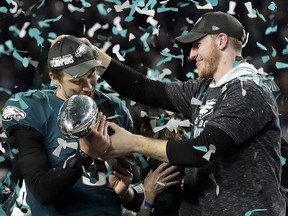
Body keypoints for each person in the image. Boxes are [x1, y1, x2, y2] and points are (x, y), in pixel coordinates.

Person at [54, 11, 286, 215]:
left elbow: (200, 151)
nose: (191, 55)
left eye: (197, 45)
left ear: (221, 41)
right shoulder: (204, 89)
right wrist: (94, 54)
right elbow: (143, 88)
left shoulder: (249, 89)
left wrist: (132, 142)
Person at [1, 35, 144, 215]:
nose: (88, 87)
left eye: (91, 75)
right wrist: (85, 155)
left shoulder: (114, 107)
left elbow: (138, 193)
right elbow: (42, 190)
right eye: (77, 81)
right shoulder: (32, 107)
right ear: (54, 78)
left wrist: (126, 193)